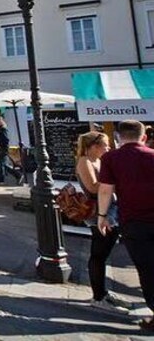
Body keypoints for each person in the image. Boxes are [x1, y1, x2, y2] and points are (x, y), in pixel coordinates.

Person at [98, 120, 154, 332]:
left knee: (147, 269)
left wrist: (102, 216)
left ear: (118, 138)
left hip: (133, 222)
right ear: (144, 137)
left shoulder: (111, 158)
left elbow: (105, 190)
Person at [74, 132, 130, 313]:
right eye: (105, 145)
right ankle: (98, 296)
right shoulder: (85, 161)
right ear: (93, 146)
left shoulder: (99, 161)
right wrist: (114, 180)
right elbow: (92, 187)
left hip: (109, 210)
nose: (108, 148)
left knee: (103, 253)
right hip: (98, 212)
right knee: (99, 254)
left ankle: (103, 293)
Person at [0, 118, 10, 184]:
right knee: (2, 164)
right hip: (0, 148)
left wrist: (1, 145)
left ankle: (1, 180)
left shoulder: (3, 128)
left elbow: (6, 139)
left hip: (2, 148)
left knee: (1, 164)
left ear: (1, 121)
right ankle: (18, 175)